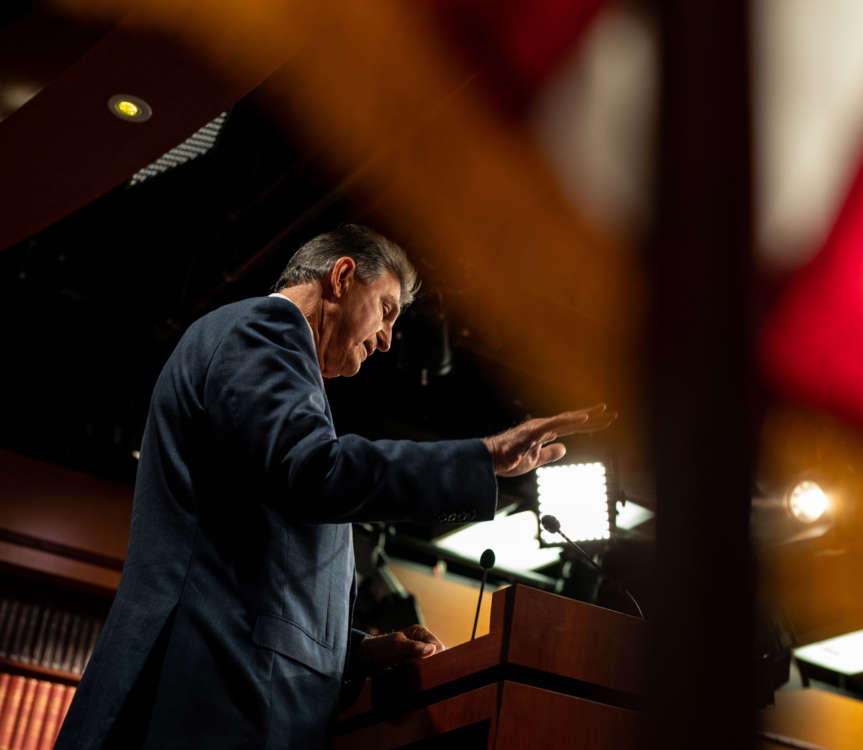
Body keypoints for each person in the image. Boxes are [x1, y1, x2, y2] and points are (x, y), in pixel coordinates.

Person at [55, 224, 614, 750]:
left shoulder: (270, 359)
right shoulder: (263, 331)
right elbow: (314, 473)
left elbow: (257, 573)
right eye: (387, 310)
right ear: (342, 277)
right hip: (211, 698)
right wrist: (483, 458)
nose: (388, 340)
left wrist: (361, 653)